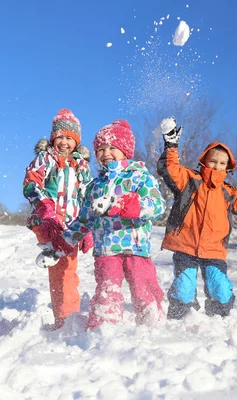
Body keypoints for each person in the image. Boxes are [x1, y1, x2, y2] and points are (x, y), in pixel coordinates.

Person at [39, 120, 167, 329]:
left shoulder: (139, 176)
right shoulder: (95, 186)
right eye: (101, 149)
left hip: (136, 248)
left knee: (143, 286)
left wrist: (128, 205)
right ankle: (104, 325)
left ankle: (152, 321)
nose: (106, 153)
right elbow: (83, 221)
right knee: (107, 288)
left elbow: (158, 206)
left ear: (125, 150)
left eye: (112, 148)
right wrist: (59, 246)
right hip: (106, 250)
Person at [157, 117, 237, 319]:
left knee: (220, 289)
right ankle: (181, 319)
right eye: (212, 161)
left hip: (214, 248)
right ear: (203, 162)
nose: (216, 166)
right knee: (184, 288)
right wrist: (171, 145)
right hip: (185, 244)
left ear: (228, 168)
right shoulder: (190, 180)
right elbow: (170, 169)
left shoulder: (228, 192)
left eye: (222, 163)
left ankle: (220, 318)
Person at [23, 109, 93, 329]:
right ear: (53, 138)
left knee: (66, 269)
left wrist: (88, 228)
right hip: (49, 222)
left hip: (72, 225)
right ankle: (65, 319)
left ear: (77, 141)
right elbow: (31, 184)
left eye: (69, 138)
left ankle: (67, 316)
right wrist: (46, 210)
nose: (64, 142)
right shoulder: (46, 158)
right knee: (63, 270)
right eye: (60, 137)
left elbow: (88, 196)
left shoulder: (81, 166)